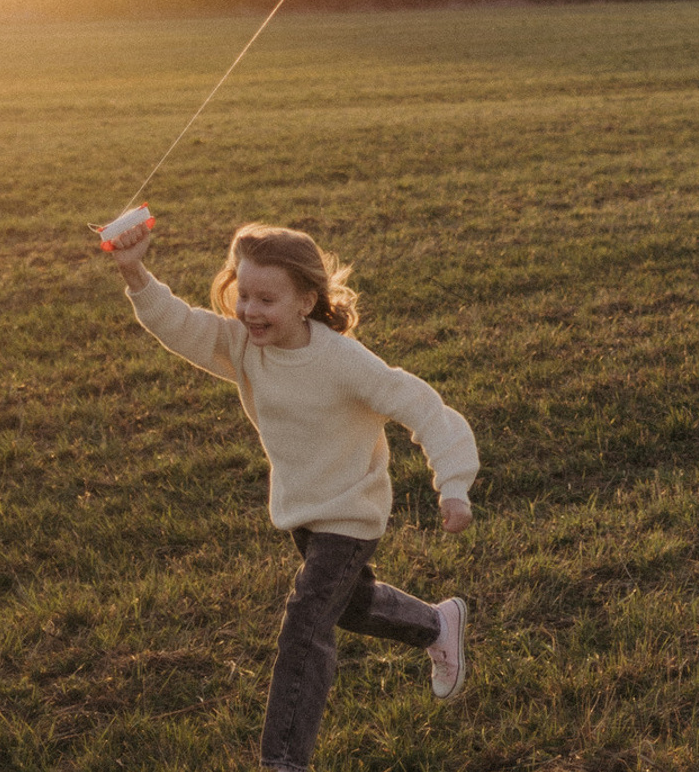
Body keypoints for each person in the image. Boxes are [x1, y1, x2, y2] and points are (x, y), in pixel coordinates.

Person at [101, 219, 478, 771]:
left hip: (350, 513)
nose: (250, 310)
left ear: (306, 300)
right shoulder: (242, 346)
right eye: (243, 294)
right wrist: (133, 270)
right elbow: (179, 324)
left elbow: (422, 405)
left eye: (266, 298)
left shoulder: (343, 361)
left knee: (306, 623)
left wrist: (454, 485)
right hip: (302, 511)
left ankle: (283, 761)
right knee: (349, 605)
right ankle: (436, 625)